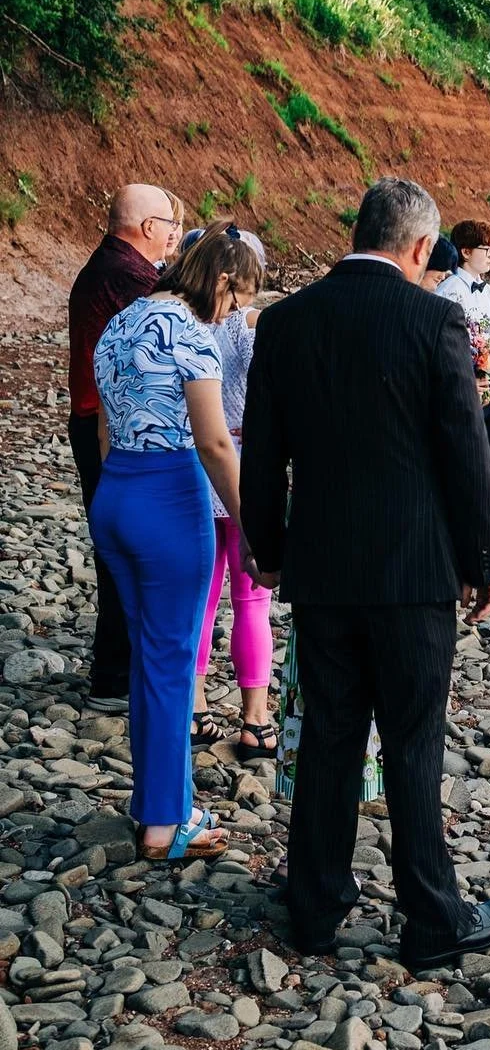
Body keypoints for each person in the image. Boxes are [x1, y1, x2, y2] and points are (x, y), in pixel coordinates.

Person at [241, 176, 490, 968]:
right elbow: (465, 453)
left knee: (329, 732)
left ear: (356, 229)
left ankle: (316, 901)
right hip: (414, 568)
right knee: (412, 740)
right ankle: (433, 918)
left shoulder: (288, 321)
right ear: (422, 247)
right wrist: (483, 560)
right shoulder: (437, 318)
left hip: (323, 565)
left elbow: (264, 454)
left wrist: (271, 548)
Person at [90, 225, 259, 860]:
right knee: (171, 661)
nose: (237, 310)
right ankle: (166, 822)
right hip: (169, 498)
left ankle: (155, 800)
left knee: (149, 661)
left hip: (117, 493)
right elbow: (215, 443)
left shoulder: (123, 319)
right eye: (238, 296)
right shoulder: (193, 336)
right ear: (220, 281)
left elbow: (104, 423)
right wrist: (251, 524)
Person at [68, 185, 184, 711]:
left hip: (100, 421)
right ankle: (114, 675)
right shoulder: (129, 276)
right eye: (169, 226)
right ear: (147, 227)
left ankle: (118, 667)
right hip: (109, 429)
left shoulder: (107, 267)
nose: (172, 236)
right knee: (126, 548)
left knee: (119, 543)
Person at [184, 227, 276, 758]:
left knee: (202, 596)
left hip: (197, 466)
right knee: (253, 600)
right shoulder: (251, 326)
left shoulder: (185, 323)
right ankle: (256, 719)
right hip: (245, 463)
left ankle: (195, 708)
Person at [436, 218, 490, 501]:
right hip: (468, 387)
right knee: (468, 464)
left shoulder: (488, 291)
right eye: (487, 250)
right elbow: (445, 345)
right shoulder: (449, 290)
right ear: (466, 251)